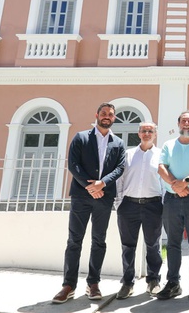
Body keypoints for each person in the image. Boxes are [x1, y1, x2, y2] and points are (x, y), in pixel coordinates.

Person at [52, 103, 126, 304]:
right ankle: (68, 285)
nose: (106, 116)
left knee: (99, 240)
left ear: (114, 118)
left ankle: (93, 283)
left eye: (110, 114)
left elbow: (120, 168)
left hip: (104, 196)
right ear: (97, 115)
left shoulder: (118, 143)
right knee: (74, 240)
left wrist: (103, 183)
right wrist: (90, 186)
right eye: (103, 113)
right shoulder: (81, 137)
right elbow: (73, 164)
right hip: (81, 196)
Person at [156, 110, 189, 300]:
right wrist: (175, 185)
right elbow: (161, 167)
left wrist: (185, 182)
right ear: (178, 123)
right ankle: (173, 283)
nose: (186, 124)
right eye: (183, 121)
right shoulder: (168, 145)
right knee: (173, 243)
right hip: (171, 200)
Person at [114, 122, 163, 300]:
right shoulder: (128, 154)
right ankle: (127, 283)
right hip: (129, 205)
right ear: (139, 133)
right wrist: (119, 204)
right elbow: (120, 179)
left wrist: (162, 204)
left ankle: (153, 280)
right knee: (128, 246)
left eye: (150, 131)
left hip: (153, 205)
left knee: (153, 245)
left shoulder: (161, 155)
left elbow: (164, 181)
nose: (147, 133)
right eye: (144, 131)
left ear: (155, 134)